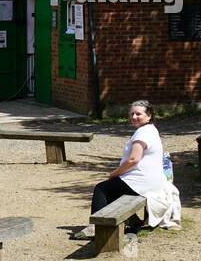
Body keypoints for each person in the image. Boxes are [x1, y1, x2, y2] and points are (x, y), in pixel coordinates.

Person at [75, 99, 175, 238]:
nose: (134, 117)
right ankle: (133, 221)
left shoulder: (143, 133)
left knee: (102, 188)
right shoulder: (151, 129)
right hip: (152, 181)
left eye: (138, 114)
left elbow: (134, 159)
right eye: (132, 114)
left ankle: (95, 227)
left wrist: (114, 173)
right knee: (115, 189)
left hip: (142, 182)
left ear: (149, 115)